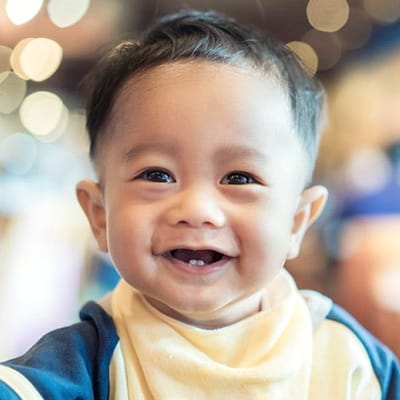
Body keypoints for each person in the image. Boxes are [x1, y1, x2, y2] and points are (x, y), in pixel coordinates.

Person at [0, 9, 399, 400]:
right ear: (99, 215)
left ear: (297, 222)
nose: (197, 209)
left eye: (240, 178)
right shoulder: (82, 368)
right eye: (157, 175)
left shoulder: (350, 361)